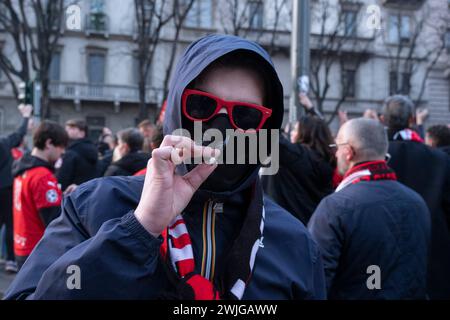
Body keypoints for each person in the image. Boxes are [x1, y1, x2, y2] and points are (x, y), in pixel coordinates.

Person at [6, 34, 326, 300]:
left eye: (245, 116)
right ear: (177, 108)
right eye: (202, 105)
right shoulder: (95, 206)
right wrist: (138, 230)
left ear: (264, 129)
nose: (221, 126)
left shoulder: (295, 243)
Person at [308, 118, 430, 299]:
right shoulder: (417, 202)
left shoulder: (335, 207)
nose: (334, 154)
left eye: (337, 146)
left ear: (348, 152)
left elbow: (314, 281)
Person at [380, 95, 450, 299]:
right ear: (412, 119)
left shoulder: (377, 157)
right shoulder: (439, 158)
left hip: (385, 249)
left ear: (383, 119)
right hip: (433, 247)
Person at [11, 121, 68, 269]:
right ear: (49, 143)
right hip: (38, 250)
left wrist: (61, 195)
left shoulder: (23, 170)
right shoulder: (42, 176)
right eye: (61, 146)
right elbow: (54, 221)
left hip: (21, 245)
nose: (62, 152)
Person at [262, 114, 335, 225]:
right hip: (312, 223)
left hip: (286, 223)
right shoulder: (328, 161)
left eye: (296, 130)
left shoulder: (297, 156)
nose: (292, 133)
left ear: (306, 134)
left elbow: (270, 137)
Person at [0, 104, 33, 273]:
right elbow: (20, 132)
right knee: (10, 224)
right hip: (7, 188)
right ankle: (10, 260)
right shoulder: (4, 143)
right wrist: (26, 116)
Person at [56, 119, 98, 191]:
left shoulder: (71, 152)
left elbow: (63, 178)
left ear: (82, 133)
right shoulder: (94, 149)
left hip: (71, 193)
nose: (67, 131)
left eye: (72, 128)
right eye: (67, 128)